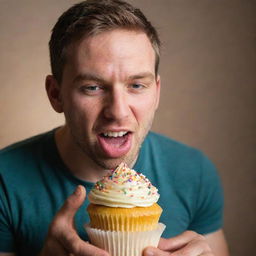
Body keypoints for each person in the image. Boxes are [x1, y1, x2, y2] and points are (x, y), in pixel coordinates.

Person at [0, 0, 229, 255]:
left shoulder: (194, 172)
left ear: (157, 92)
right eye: (92, 87)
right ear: (56, 95)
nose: (118, 111)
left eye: (137, 85)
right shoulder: (4, 180)